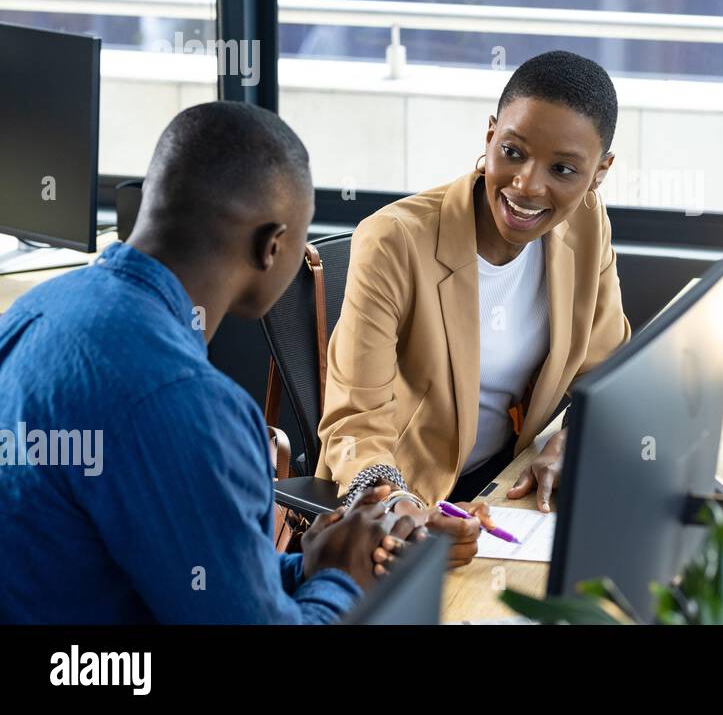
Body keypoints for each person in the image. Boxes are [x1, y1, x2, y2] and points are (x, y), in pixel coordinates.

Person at [0, 102, 475, 623]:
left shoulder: (34, 309)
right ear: (271, 245)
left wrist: (308, 565)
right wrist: (343, 580)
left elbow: (194, 579)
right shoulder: (189, 403)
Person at [317, 50, 632, 522]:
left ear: (599, 173)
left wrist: (571, 439)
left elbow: (606, 372)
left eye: (563, 169)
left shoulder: (587, 224)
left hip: (503, 485)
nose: (527, 185)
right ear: (490, 136)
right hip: (401, 501)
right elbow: (355, 425)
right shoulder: (394, 241)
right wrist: (404, 511)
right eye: (513, 152)